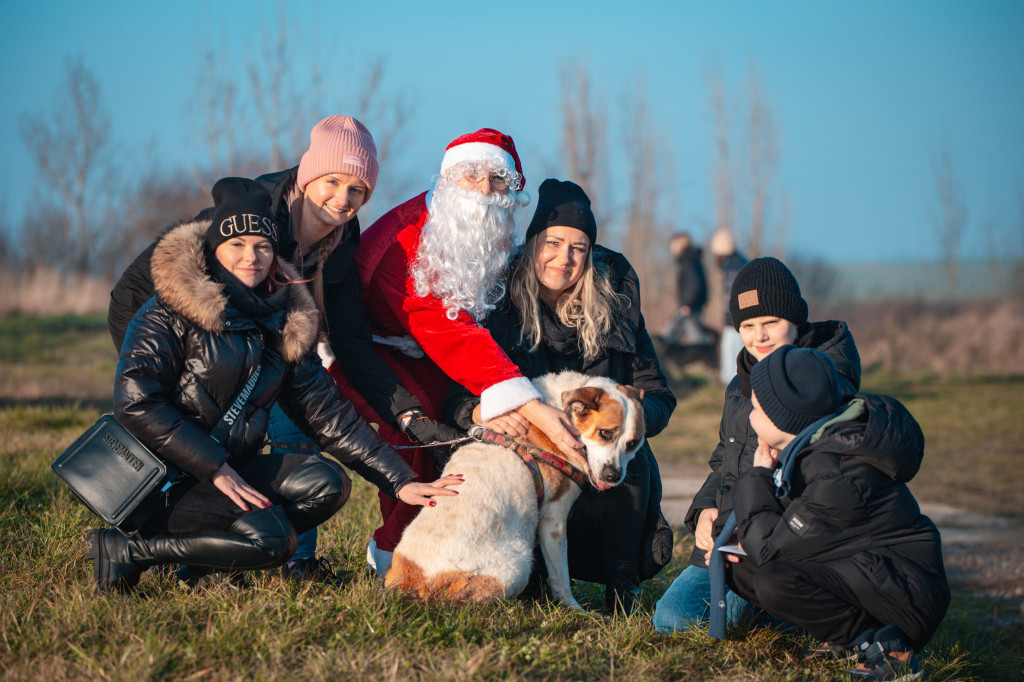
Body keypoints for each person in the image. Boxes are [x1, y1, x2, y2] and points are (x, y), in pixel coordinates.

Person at [107, 116, 454, 582]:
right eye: (332, 181)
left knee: (298, 428)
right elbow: (154, 282)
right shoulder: (250, 216)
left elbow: (351, 345)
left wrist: (407, 431)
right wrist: (171, 359)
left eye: (357, 189)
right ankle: (174, 542)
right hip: (174, 323)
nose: (343, 199)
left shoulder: (339, 239)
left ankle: (249, 552)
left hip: (254, 344)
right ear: (309, 176)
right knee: (209, 427)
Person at [337, 130, 585, 577]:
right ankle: (394, 558)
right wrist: (530, 405)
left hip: (431, 353)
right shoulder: (404, 244)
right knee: (422, 438)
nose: (484, 191)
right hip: (370, 354)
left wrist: (492, 399)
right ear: (448, 178)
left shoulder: (491, 230)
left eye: (497, 179)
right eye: (470, 175)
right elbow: (446, 330)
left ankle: (459, 544)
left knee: (470, 428)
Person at [444, 179, 677, 613]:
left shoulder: (617, 301)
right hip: (528, 457)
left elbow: (659, 391)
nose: (564, 258)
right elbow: (454, 393)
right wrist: (479, 411)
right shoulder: (498, 301)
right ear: (533, 243)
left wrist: (633, 419)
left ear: (590, 255)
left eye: (579, 247)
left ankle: (622, 584)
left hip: (598, 451)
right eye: (553, 242)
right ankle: (533, 576)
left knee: (632, 461)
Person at [653, 256, 861, 633]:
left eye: (771, 323)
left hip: (787, 543)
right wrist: (703, 510)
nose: (759, 336)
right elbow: (725, 461)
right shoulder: (739, 384)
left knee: (734, 620)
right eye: (747, 325)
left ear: (795, 323)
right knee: (670, 620)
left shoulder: (824, 381)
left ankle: (812, 606)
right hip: (730, 537)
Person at [726, 345, 949, 680]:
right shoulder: (815, 447)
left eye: (755, 408)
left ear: (782, 419)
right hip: (867, 570)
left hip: (905, 594)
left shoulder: (837, 474)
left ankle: (889, 648)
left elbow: (773, 548)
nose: (749, 416)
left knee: (772, 578)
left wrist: (757, 477)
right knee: (740, 564)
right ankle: (847, 640)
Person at [708, 228, 747, 384]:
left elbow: (732, 296)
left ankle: (731, 384)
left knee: (731, 351)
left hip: (735, 319)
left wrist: (729, 318)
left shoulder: (732, 268)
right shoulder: (739, 262)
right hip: (739, 317)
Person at [662, 232, 709, 348]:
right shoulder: (691, 259)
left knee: (693, 337)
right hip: (692, 305)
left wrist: (687, 304)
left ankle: (705, 357)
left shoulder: (688, 261)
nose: (671, 248)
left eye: (673, 245)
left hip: (690, 307)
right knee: (687, 334)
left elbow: (695, 283)